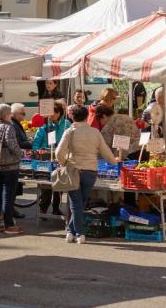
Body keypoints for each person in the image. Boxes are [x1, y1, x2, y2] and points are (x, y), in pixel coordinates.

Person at [55, 105, 117, 244]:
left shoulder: (69, 132)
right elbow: (105, 151)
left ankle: (77, 233)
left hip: (73, 170)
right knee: (80, 203)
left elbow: (58, 153)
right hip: (90, 171)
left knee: (76, 204)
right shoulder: (95, 132)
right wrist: (114, 161)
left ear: (72, 117)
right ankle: (72, 232)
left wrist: (65, 163)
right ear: (87, 116)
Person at [0, 104, 24, 235]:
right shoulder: (9, 127)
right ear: (5, 114)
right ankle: (9, 225)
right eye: (9, 113)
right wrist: (22, 155)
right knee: (8, 195)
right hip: (9, 166)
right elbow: (12, 145)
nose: (11, 116)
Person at [33, 101, 69, 216]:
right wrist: (38, 150)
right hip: (46, 160)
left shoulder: (67, 125)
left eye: (53, 113)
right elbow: (36, 142)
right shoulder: (45, 127)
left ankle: (56, 208)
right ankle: (43, 208)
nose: (50, 115)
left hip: (62, 159)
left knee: (59, 185)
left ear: (59, 113)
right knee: (46, 186)